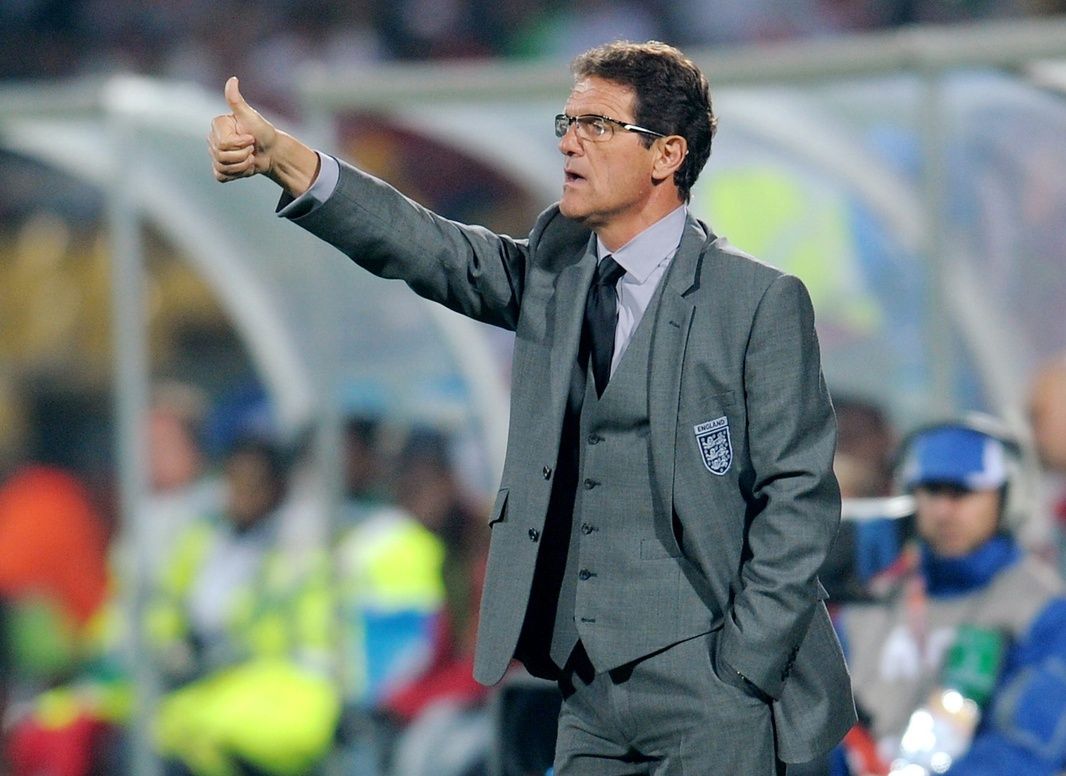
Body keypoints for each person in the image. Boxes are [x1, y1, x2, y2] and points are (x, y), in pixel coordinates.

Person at [208, 40, 853, 772]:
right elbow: (433, 250)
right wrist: (291, 162)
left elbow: (797, 500)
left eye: (598, 126)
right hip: (585, 687)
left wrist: (741, 667)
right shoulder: (557, 262)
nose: (569, 141)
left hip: (712, 684)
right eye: (566, 121)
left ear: (667, 155)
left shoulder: (757, 301)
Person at [835, 417, 1066, 775]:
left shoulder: (1044, 611)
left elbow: (1028, 747)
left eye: (963, 492)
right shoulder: (869, 602)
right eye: (932, 490)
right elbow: (821, 726)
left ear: (1008, 497)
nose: (944, 511)